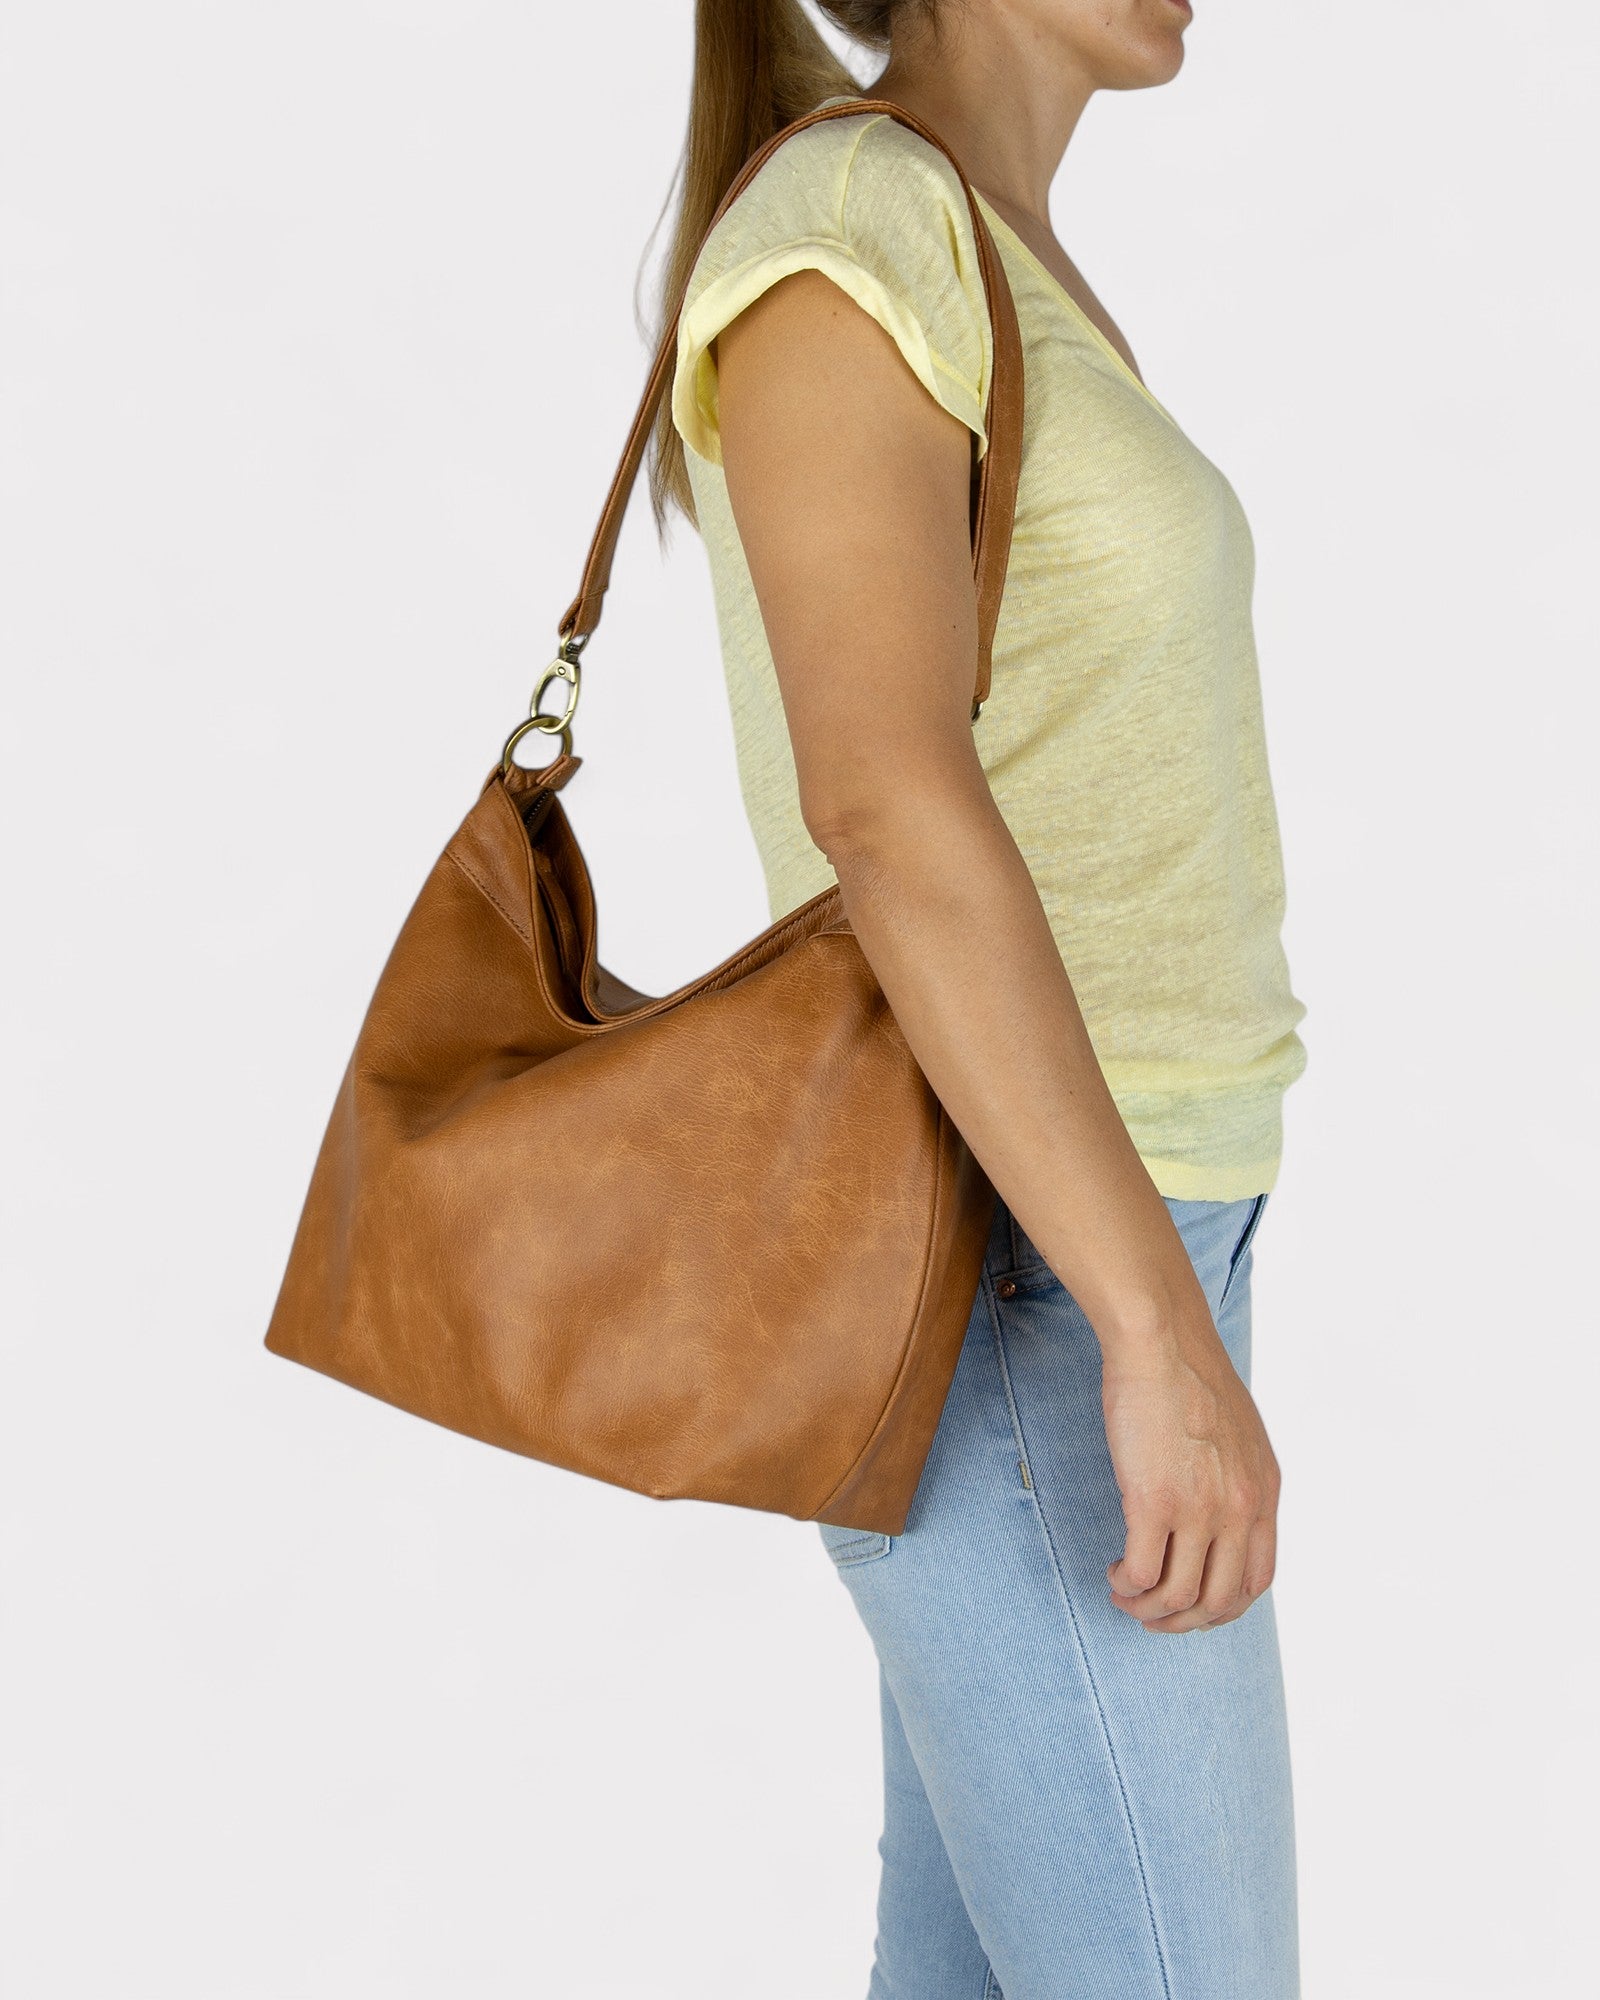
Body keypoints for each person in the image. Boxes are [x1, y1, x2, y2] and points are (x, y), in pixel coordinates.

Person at [651, 2, 1307, 1993]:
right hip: (1015, 1260)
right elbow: (883, 791)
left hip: (1105, 1224)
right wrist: (1145, 1327)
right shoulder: (849, 228)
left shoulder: (974, 237)